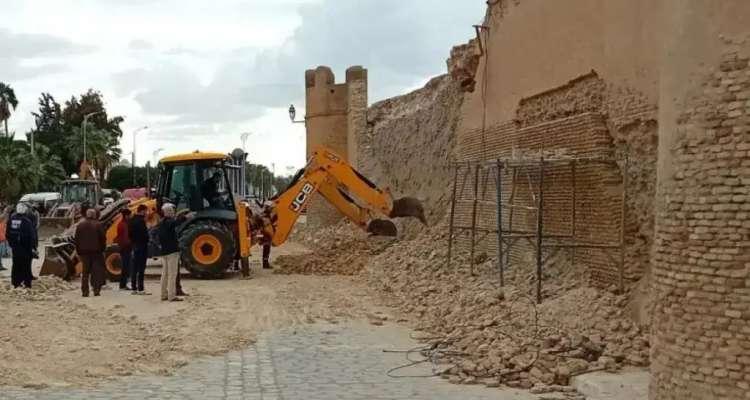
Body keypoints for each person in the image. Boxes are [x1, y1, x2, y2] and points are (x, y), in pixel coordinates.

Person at [157, 203, 192, 302]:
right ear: (169, 212)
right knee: (172, 274)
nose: (173, 212)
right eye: (172, 210)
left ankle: (163, 294)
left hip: (164, 251)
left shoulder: (161, 223)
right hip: (172, 251)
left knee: (164, 274)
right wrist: (186, 217)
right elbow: (175, 222)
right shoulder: (169, 222)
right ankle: (171, 296)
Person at [74, 209, 106, 297]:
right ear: (94, 215)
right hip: (96, 252)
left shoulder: (80, 225)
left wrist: (78, 251)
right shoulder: (98, 225)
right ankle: (96, 290)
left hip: (84, 252)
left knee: (85, 272)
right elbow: (103, 238)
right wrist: (103, 249)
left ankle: (85, 291)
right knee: (96, 272)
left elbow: (76, 239)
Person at [5, 203, 37, 288]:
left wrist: (12, 245)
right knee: (26, 266)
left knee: (15, 265)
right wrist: (32, 248)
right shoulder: (26, 221)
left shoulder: (11, 220)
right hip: (25, 248)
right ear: (25, 211)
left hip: (15, 248)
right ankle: (27, 284)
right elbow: (31, 236)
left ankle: (15, 282)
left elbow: (7, 234)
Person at [128, 204, 150, 295]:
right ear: (142, 211)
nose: (146, 213)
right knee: (141, 268)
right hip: (142, 246)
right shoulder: (141, 221)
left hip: (134, 245)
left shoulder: (131, 220)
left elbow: (130, 234)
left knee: (134, 267)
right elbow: (144, 235)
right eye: (146, 211)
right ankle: (140, 288)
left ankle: (134, 288)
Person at [115, 208, 133, 290]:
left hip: (123, 247)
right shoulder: (124, 225)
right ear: (126, 216)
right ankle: (122, 284)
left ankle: (123, 284)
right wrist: (131, 243)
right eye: (130, 215)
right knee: (125, 266)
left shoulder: (121, 224)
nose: (131, 216)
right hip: (125, 248)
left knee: (125, 266)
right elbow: (126, 238)